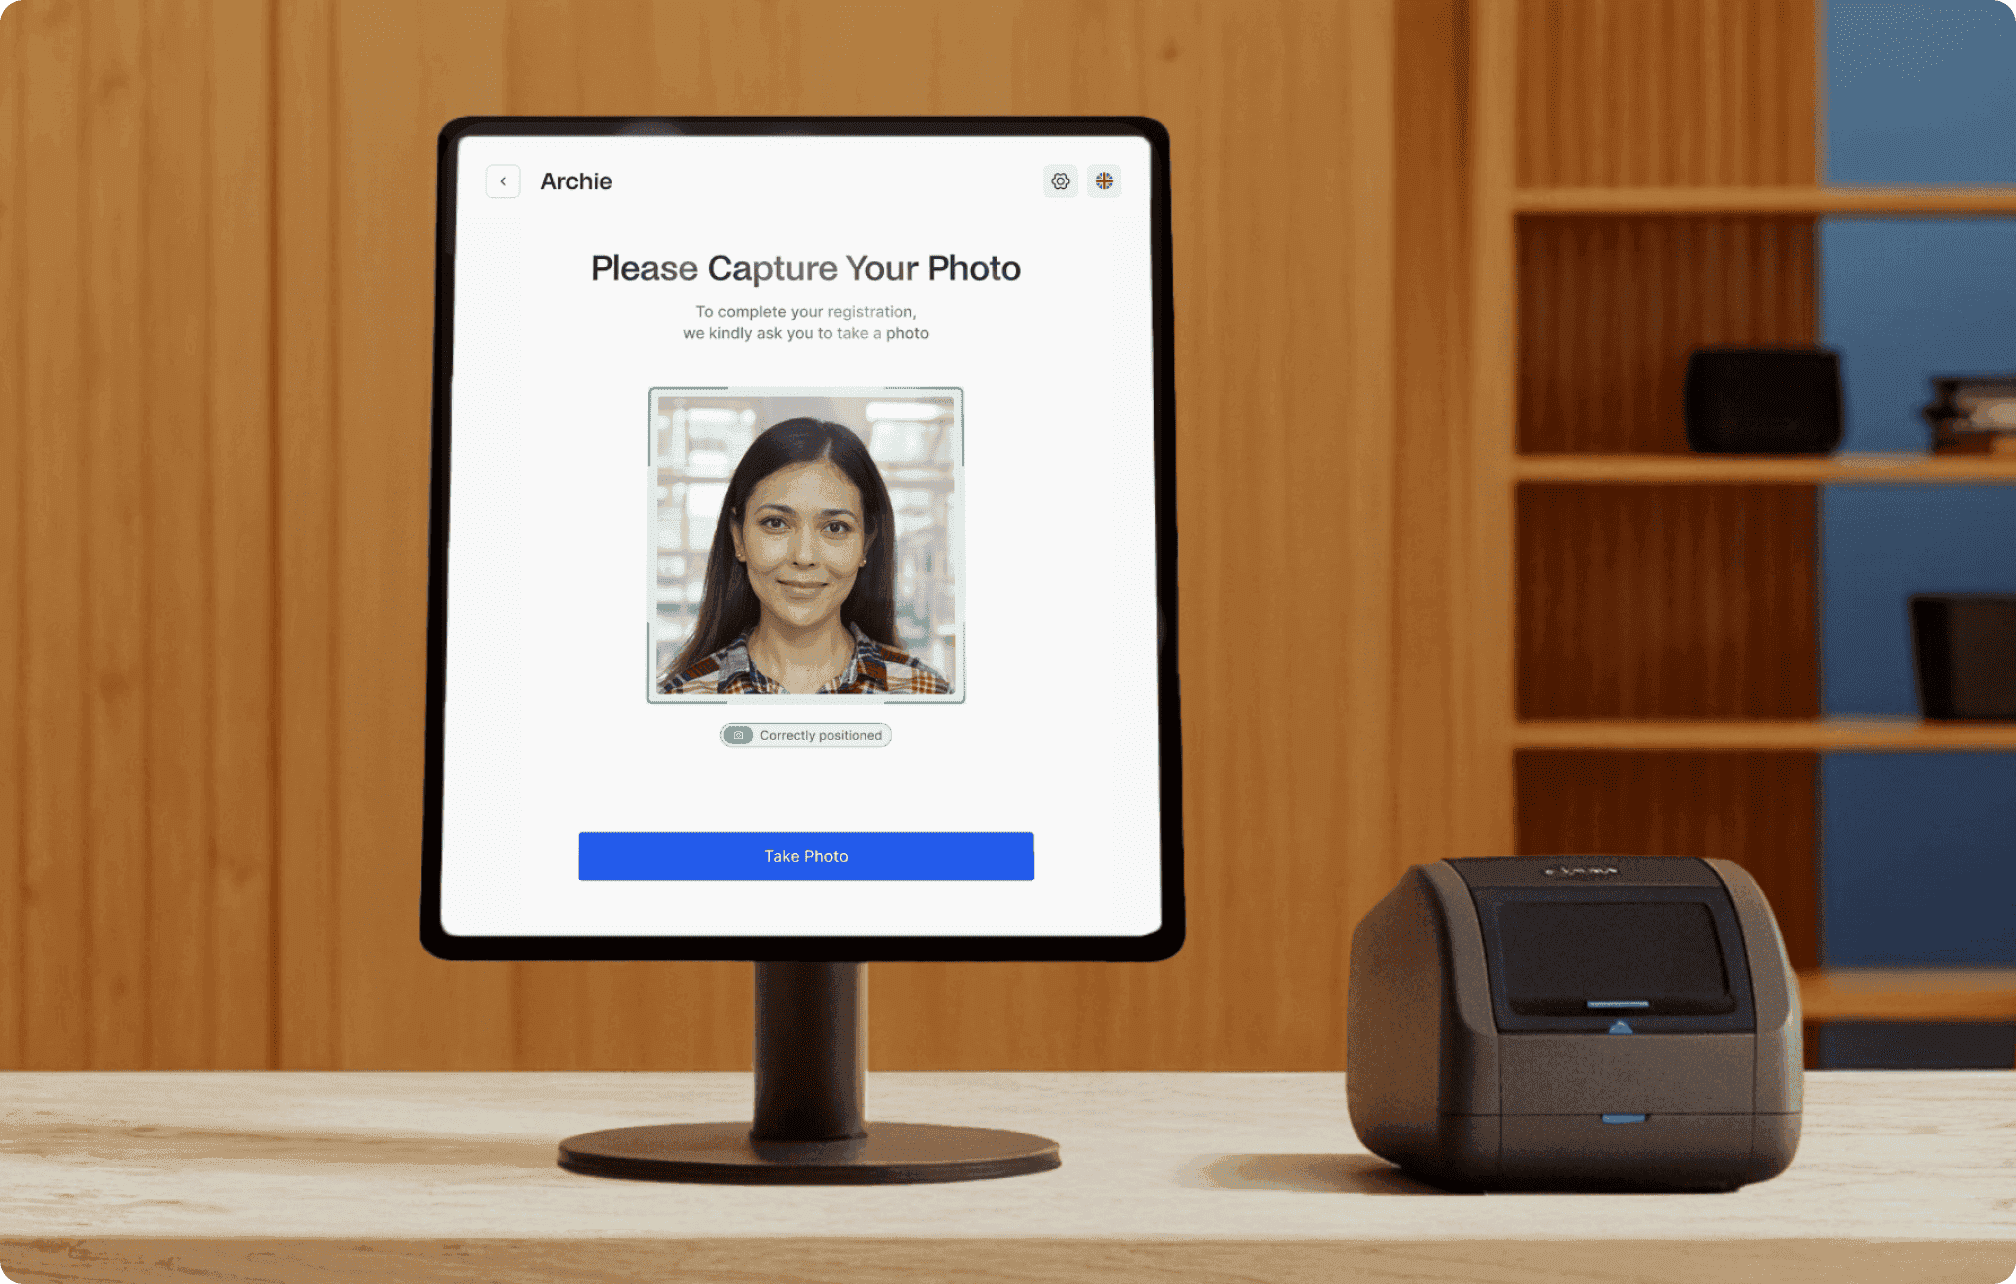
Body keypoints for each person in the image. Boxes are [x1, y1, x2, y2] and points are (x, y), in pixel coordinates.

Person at [659, 417, 953, 695]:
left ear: (865, 544)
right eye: (776, 523)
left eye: (835, 527)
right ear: (738, 537)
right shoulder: (681, 700)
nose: (804, 556)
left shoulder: (926, 694)